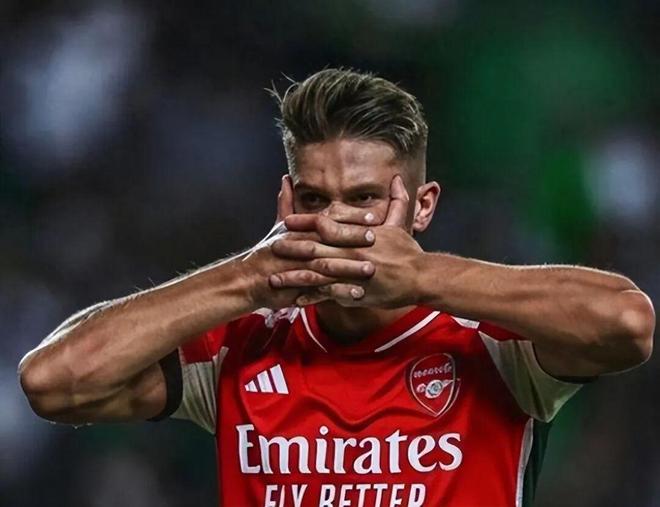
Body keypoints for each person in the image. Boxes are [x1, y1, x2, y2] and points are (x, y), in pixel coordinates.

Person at [19, 68, 655, 507]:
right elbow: (54, 381)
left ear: (423, 206)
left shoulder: (492, 338)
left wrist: (423, 276)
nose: (338, 225)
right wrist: (246, 276)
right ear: (286, 203)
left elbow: (628, 323)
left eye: (365, 199)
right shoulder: (238, 343)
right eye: (315, 199)